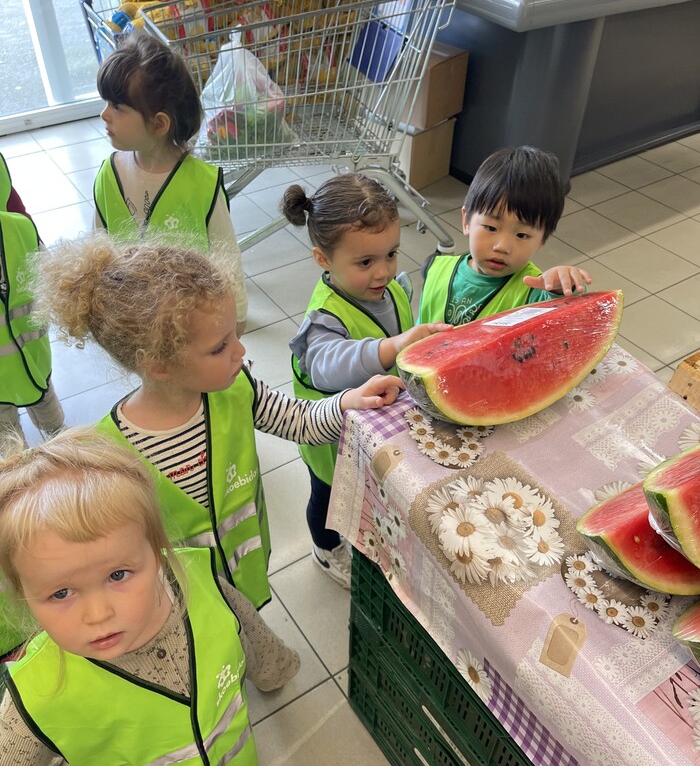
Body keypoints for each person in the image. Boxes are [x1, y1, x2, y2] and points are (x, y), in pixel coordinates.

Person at [0, 428, 312, 766]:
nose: (98, 612)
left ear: (159, 551)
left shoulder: (202, 585)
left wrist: (273, 669)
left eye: (119, 573)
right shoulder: (37, 696)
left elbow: (248, 629)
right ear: (25, 598)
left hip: (231, 759)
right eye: (61, 592)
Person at [33, 234, 403, 611]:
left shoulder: (237, 389)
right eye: (219, 346)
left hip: (246, 566)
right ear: (159, 365)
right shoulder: (111, 456)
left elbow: (299, 419)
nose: (240, 352)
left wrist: (345, 403)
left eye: (234, 337)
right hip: (183, 602)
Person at [284, 173, 449, 589]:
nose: (383, 272)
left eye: (391, 254)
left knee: (365, 494)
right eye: (365, 262)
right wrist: (392, 346)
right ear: (323, 259)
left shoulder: (389, 289)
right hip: (330, 440)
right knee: (327, 499)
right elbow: (328, 364)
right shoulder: (322, 319)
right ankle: (325, 549)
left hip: (377, 428)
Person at [93, 32, 248, 333]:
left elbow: (227, 257)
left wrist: (236, 317)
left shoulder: (202, 184)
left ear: (159, 123)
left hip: (193, 323)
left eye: (117, 107)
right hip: (135, 322)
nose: (104, 115)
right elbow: (99, 252)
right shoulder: (107, 175)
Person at [418, 145, 593, 325]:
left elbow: (564, 319)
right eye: (491, 228)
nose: (502, 246)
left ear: (543, 239)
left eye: (522, 235)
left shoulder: (534, 292)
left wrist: (563, 288)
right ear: (467, 222)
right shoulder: (436, 269)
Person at [0, 153, 64, 451]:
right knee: (37, 401)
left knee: (39, 404)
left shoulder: (19, 227)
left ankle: (58, 445)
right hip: (31, 352)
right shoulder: (20, 227)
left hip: (30, 352)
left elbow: (47, 269)